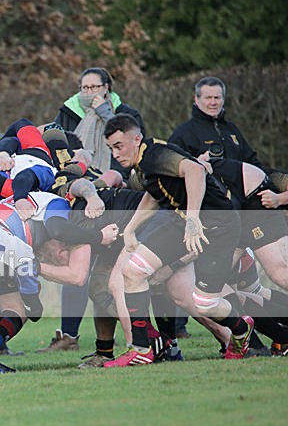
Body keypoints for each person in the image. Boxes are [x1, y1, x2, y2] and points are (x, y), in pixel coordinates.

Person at [104, 114, 254, 367]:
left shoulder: (155, 154)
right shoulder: (144, 164)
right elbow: (154, 194)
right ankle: (142, 349)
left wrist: (194, 218)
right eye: (111, 148)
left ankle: (241, 329)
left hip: (219, 226)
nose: (116, 154)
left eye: (119, 146)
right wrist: (130, 229)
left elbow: (194, 170)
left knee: (205, 304)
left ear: (136, 138)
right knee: (132, 272)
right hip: (183, 222)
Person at [42, 67, 146, 353]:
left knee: (118, 278)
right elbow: (50, 138)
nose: (88, 94)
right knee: (86, 270)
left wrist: (104, 112)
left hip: (118, 199)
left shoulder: (124, 113)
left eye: (94, 88)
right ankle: (70, 336)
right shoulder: (67, 113)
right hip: (85, 196)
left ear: (107, 88)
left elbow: (132, 144)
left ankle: (158, 336)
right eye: (84, 88)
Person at [169, 76, 276, 174]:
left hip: (241, 192)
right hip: (208, 193)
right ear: (196, 99)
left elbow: (253, 164)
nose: (213, 102)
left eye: (217, 98)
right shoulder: (184, 133)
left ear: (223, 100)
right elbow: (173, 171)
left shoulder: (232, 129)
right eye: (208, 98)